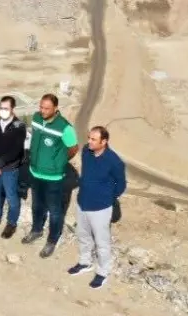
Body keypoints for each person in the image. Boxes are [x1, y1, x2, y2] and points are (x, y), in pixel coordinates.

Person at [70, 126, 127, 289]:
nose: (89, 141)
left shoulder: (114, 161)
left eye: (93, 139)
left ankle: (103, 272)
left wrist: (106, 197)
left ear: (104, 141)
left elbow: (120, 185)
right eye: (89, 138)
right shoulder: (87, 152)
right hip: (82, 203)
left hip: (101, 208)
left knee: (102, 242)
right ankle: (84, 262)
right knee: (83, 235)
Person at [25, 93, 79, 259]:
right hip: (35, 172)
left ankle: (52, 240)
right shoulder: (35, 118)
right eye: (41, 107)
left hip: (54, 178)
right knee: (37, 206)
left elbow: (73, 148)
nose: (42, 111)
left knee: (55, 211)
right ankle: (36, 230)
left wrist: (60, 162)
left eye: (47, 108)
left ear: (56, 108)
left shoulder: (64, 127)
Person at [0, 95, 27, 238]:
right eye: (1, 108)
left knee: (11, 196)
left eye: (6, 108)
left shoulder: (19, 126)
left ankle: (11, 223)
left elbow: (16, 150)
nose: (3, 111)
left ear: (12, 109)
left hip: (9, 168)